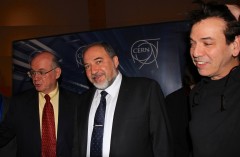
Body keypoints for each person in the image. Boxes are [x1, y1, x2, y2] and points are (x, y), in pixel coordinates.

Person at [72, 42, 173, 157]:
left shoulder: (146, 90)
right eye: (87, 66)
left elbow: (162, 144)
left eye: (98, 61)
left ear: (115, 61)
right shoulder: (82, 100)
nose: (93, 71)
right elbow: (77, 147)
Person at [0, 51, 80, 157]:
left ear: (57, 73)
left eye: (41, 72)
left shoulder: (76, 102)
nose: (35, 78)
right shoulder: (19, 103)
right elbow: (4, 134)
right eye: (33, 73)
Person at [189, 2, 240, 157]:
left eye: (207, 43)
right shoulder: (196, 93)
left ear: (235, 45)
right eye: (192, 43)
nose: (196, 52)